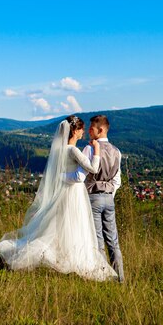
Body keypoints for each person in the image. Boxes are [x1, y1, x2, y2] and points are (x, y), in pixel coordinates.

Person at [0, 115, 117, 281]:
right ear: (74, 130)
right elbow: (93, 169)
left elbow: (56, 173)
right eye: (81, 129)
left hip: (62, 193)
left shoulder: (59, 150)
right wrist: (96, 150)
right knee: (75, 225)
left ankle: (60, 256)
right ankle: (72, 259)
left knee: (60, 226)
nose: (83, 132)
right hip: (74, 193)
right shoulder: (73, 150)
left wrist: (61, 175)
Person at [65, 115, 125, 283]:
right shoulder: (116, 151)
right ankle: (120, 278)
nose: (89, 131)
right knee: (113, 240)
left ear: (101, 130)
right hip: (109, 198)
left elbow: (81, 176)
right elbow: (117, 180)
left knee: (97, 239)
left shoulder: (89, 149)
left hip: (93, 197)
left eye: (92, 128)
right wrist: (109, 195)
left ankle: (104, 277)